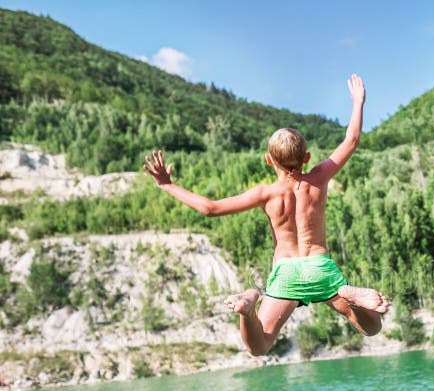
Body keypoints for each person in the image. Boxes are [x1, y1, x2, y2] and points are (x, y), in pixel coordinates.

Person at [143, 74, 388, 355]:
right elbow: (352, 139)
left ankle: (248, 309)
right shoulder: (318, 179)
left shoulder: (266, 194)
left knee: (259, 346)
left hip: (286, 273)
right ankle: (352, 297)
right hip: (319, 267)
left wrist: (167, 184)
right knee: (372, 327)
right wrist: (358, 101)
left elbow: (209, 208)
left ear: (268, 159)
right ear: (306, 158)